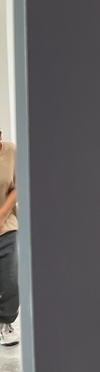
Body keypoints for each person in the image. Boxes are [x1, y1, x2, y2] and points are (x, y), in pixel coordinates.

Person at [0, 125, 18, 346]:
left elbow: (18, 184)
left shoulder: (12, 152)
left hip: (6, 226)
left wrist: (3, 213)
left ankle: (6, 323)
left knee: (10, 279)